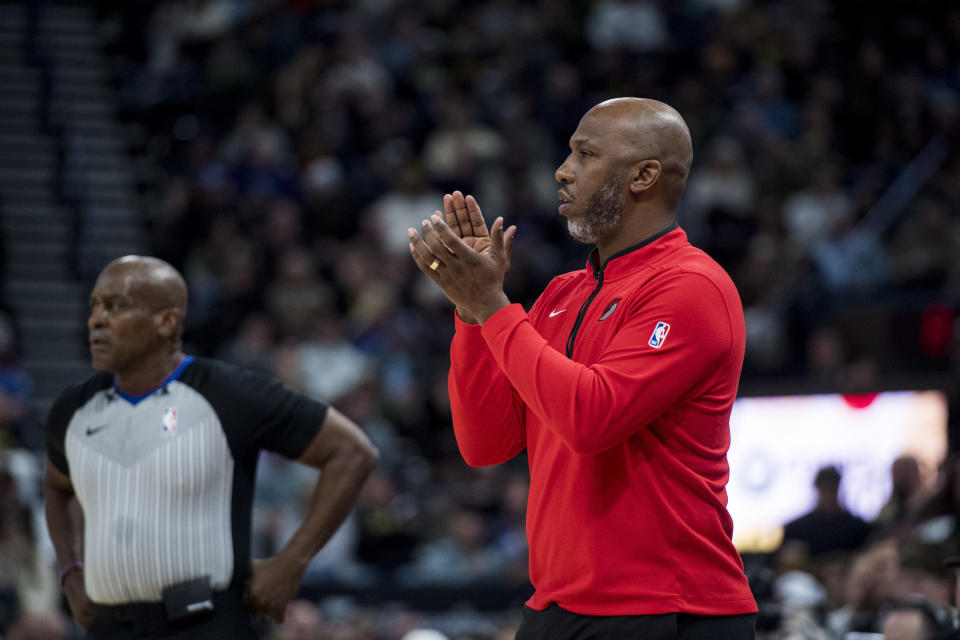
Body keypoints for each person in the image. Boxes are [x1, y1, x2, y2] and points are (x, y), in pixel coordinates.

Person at [407, 97, 757, 639]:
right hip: (556, 605)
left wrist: (495, 307)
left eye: (586, 154)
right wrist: (473, 313)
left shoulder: (692, 288)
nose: (562, 169)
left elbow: (591, 419)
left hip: (667, 608)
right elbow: (485, 444)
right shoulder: (562, 293)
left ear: (644, 176)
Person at [43, 256, 379, 639]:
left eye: (115, 306)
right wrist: (69, 572)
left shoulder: (227, 393)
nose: (96, 321)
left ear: (167, 322)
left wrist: (291, 562)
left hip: (204, 624)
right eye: (95, 307)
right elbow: (56, 484)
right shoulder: (73, 410)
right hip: (108, 628)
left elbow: (353, 451)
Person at [781, 465, 872, 557]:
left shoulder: (858, 529)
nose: (828, 494)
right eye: (825, 488)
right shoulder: (797, 529)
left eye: (832, 487)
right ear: (818, 488)